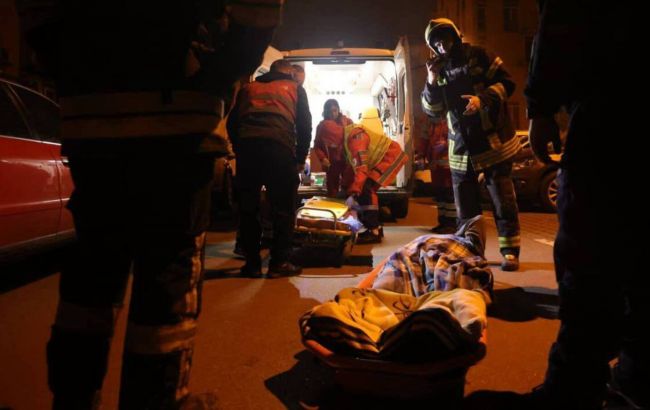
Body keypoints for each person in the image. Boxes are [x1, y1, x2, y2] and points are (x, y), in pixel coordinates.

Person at [17, 1, 283, 408]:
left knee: (90, 279)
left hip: (93, 120)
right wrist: (218, 73)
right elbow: (258, 10)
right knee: (166, 284)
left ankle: (72, 399)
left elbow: (36, 11)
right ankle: (157, 400)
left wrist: (72, 63)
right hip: (179, 127)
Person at [525, 1, 643, 408]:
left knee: (589, 255)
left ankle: (574, 385)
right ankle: (635, 378)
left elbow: (560, 22)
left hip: (609, 116)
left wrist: (541, 107)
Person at [421, 18, 522, 271]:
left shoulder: (480, 55)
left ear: (455, 36)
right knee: (465, 207)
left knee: (502, 199)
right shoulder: (438, 70)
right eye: (436, 42)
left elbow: (507, 83)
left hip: (492, 143)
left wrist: (482, 100)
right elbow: (432, 111)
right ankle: (471, 253)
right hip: (460, 148)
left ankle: (510, 252)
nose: (441, 45)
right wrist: (431, 80)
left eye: (444, 38)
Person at [227, 58, 312, 278]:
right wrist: (300, 158)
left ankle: (252, 265)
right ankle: (279, 263)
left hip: (248, 151)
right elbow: (304, 125)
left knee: (249, 209)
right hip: (279, 149)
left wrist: (239, 148)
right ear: (289, 73)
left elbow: (232, 122)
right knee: (282, 208)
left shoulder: (249, 88)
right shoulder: (294, 88)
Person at [344, 108, 408, 244]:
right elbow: (352, 168)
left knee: (366, 190)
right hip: (390, 155)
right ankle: (375, 228)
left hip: (390, 157)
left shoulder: (354, 138)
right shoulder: (350, 136)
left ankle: (373, 231)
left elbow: (361, 168)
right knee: (365, 189)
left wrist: (354, 190)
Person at [415, 117, 457, 234]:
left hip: (449, 165)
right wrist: (421, 156)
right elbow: (424, 139)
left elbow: (459, 138)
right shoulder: (430, 121)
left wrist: (446, 144)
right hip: (436, 165)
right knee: (440, 195)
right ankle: (443, 223)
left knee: (449, 196)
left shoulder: (450, 118)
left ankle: (451, 224)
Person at [313, 99, 354, 197]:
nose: (333, 114)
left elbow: (355, 139)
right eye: (330, 111)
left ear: (338, 110)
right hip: (331, 164)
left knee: (349, 189)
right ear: (326, 112)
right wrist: (323, 158)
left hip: (347, 162)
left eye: (335, 110)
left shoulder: (348, 122)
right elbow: (317, 146)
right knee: (332, 192)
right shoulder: (322, 126)